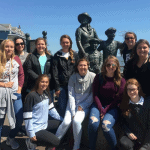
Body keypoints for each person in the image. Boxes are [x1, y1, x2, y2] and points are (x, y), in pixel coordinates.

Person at [55, 58, 96, 150]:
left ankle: (76, 146)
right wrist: (73, 111)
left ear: (88, 66)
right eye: (80, 65)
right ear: (77, 67)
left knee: (77, 121)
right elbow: (71, 95)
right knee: (66, 122)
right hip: (72, 105)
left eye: (85, 65)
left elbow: (93, 94)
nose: (83, 67)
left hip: (85, 105)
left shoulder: (93, 76)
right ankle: (54, 142)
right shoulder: (73, 77)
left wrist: (83, 106)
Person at [88, 55, 126, 150]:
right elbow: (95, 95)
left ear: (117, 66)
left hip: (112, 107)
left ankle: (114, 148)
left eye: (113, 64)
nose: (110, 67)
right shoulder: (99, 77)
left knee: (106, 126)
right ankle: (91, 148)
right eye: (108, 64)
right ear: (105, 66)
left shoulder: (121, 80)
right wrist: (101, 109)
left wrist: (105, 111)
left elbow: (117, 99)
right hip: (98, 105)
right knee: (93, 123)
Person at [24, 74, 62, 150]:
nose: (44, 84)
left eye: (46, 82)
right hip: (36, 128)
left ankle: (48, 144)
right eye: (42, 82)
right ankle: (32, 142)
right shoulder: (31, 96)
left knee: (63, 124)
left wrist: (62, 119)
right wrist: (31, 133)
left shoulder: (46, 93)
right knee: (56, 141)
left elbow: (51, 110)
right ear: (38, 82)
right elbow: (27, 117)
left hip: (45, 124)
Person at [0, 39, 24, 149]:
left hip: (15, 93)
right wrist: (4, 85)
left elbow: (21, 75)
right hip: (1, 93)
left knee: (19, 119)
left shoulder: (16, 59)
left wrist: (19, 90)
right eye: (7, 46)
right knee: (0, 120)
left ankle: (11, 138)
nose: (9, 49)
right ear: (3, 47)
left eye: (11, 46)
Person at [119, 78, 150, 150]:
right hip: (133, 137)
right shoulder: (124, 104)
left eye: (134, 89)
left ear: (138, 89)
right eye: (129, 89)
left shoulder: (147, 103)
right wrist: (128, 133)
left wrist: (145, 147)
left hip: (147, 137)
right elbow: (122, 122)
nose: (131, 92)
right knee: (124, 143)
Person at [52, 34, 78, 118]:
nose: (65, 44)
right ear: (60, 43)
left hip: (73, 86)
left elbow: (78, 69)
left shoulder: (75, 55)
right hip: (62, 87)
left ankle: (72, 127)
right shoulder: (57, 55)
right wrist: (57, 88)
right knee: (62, 107)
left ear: (70, 43)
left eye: (67, 42)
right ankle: (63, 126)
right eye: (63, 42)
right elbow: (54, 72)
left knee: (73, 106)